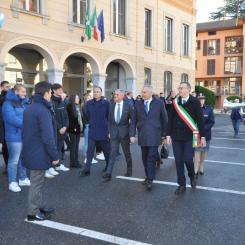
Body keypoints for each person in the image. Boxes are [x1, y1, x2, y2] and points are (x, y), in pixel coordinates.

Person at [23, 81, 59, 221]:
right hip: (39, 152)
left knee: (38, 182)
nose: (51, 94)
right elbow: (48, 137)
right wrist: (55, 156)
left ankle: (39, 206)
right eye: (50, 92)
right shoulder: (43, 110)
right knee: (37, 183)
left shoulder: (30, 108)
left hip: (32, 151)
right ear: (45, 93)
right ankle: (32, 212)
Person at [166, 81, 206, 195]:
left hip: (190, 136)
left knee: (188, 159)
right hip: (177, 136)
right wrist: (168, 135)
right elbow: (170, 119)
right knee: (178, 161)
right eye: (179, 88)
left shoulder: (195, 102)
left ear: (188, 89)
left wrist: (202, 137)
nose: (179, 90)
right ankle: (181, 184)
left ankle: (192, 175)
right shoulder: (175, 102)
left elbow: (200, 120)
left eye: (182, 88)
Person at [134, 85, 168, 191]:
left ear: (150, 93)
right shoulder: (138, 104)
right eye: (142, 92)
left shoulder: (159, 103)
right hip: (143, 135)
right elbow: (134, 120)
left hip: (155, 135)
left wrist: (164, 135)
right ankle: (147, 176)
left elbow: (164, 119)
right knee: (144, 158)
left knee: (151, 158)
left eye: (144, 92)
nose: (142, 94)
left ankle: (150, 179)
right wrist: (132, 134)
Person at [2, 85, 30, 192]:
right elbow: (12, 119)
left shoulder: (24, 103)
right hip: (14, 136)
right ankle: (12, 182)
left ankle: (22, 178)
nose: (25, 93)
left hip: (24, 135)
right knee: (14, 160)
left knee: (23, 158)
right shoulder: (7, 104)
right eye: (23, 91)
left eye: (25, 91)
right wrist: (28, 125)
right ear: (16, 92)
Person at [103, 89, 136, 181]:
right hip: (113, 133)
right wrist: (109, 132)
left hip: (124, 134)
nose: (115, 96)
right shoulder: (111, 105)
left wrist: (132, 134)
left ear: (122, 96)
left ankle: (129, 170)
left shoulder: (128, 106)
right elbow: (109, 120)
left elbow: (133, 121)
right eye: (114, 94)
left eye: (117, 95)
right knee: (112, 153)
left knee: (127, 153)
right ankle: (109, 173)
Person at [80, 86, 110, 177]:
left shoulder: (106, 103)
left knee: (106, 151)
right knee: (90, 151)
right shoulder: (89, 103)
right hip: (93, 130)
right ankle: (87, 169)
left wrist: (109, 131)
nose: (95, 93)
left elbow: (109, 117)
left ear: (101, 93)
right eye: (94, 92)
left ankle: (108, 166)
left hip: (103, 131)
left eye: (97, 92)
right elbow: (86, 115)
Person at [50, 83, 69, 174]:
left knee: (60, 148)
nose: (61, 91)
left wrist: (65, 126)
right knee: (54, 148)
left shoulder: (63, 100)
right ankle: (51, 166)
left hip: (63, 129)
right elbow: (52, 117)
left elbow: (66, 114)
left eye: (62, 90)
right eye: (59, 90)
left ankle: (58, 165)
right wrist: (60, 127)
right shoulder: (51, 101)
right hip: (55, 129)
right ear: (54, 91)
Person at [194, 93, 215, 178]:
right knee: (197, 151)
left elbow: (211, 121)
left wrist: (202, 129)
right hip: (196, 134)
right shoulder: (193, 109)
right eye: (199, 98)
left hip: (206, 134)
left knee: (203, 151)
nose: (201, 100)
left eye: (202, 98)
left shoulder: (209, 109)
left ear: (204, 100)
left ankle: (201, 166)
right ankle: (195, 170)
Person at [66, 94, 83, 168]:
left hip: (78, 129)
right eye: (77, 98)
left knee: (76, 146)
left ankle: (76, 161)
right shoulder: (69, 107)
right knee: (73, 146)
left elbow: (80, 118)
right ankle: (73, 162)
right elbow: (70, 119)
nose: (78, 99)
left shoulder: (78, 106)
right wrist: (74, 128)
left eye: (78, 98)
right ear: (73, 99)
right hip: (72, 129)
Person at [81, 93, 98, 164]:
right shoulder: (85, 106)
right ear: (85, 99)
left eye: (90, 98)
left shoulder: (88, 106)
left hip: (90, 125)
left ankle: (89, 157)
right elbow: (88, 116)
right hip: (88, 125)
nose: (90, 99)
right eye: (88, 98)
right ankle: (87, 158)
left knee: (90, 143)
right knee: (87, 143)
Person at [0, 81, 11, 171]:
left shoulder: (10, 97)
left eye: (9, 86)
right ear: (2, 87)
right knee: (5, 146)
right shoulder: (3, 97)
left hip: (9, 124)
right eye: (6, 87)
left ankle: (10, 165)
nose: (8, 88)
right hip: (2, 125)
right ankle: (8, 165)